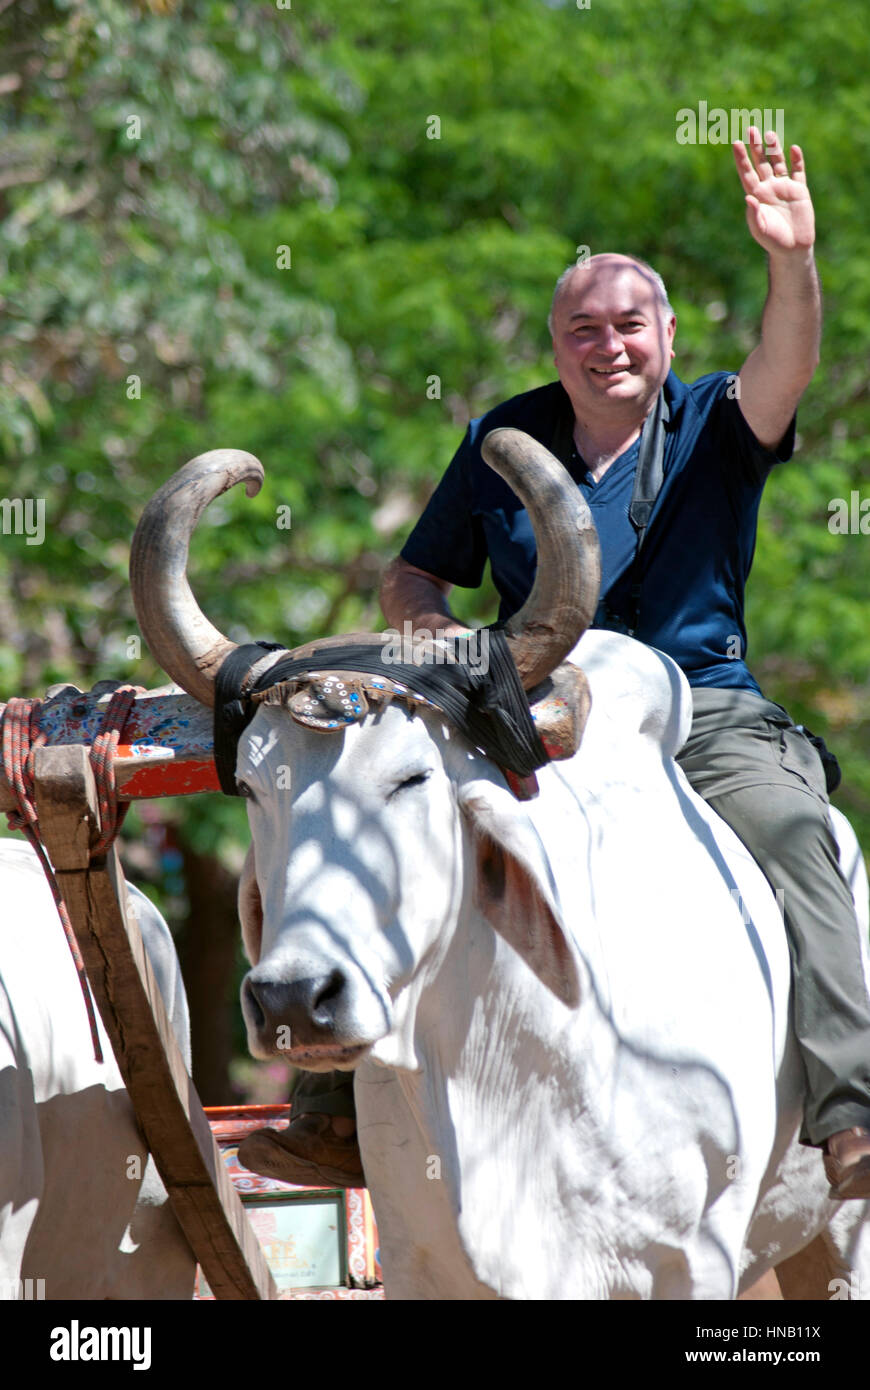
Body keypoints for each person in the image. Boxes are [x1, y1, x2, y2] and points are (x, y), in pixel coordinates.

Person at [250, 128, 870, 1200]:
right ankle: (335, 1106)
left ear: (668, 333)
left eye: (631, 323)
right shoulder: (505, 436)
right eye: (583, 328)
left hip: (699, 707)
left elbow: (792, 356)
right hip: (526, 706)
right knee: (380, 801)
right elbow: (413, 577)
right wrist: (434, 637)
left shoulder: (719, 419)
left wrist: (791, 255)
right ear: (557, 344)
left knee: (792, 825)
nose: (609, 345)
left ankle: (852, 1114)